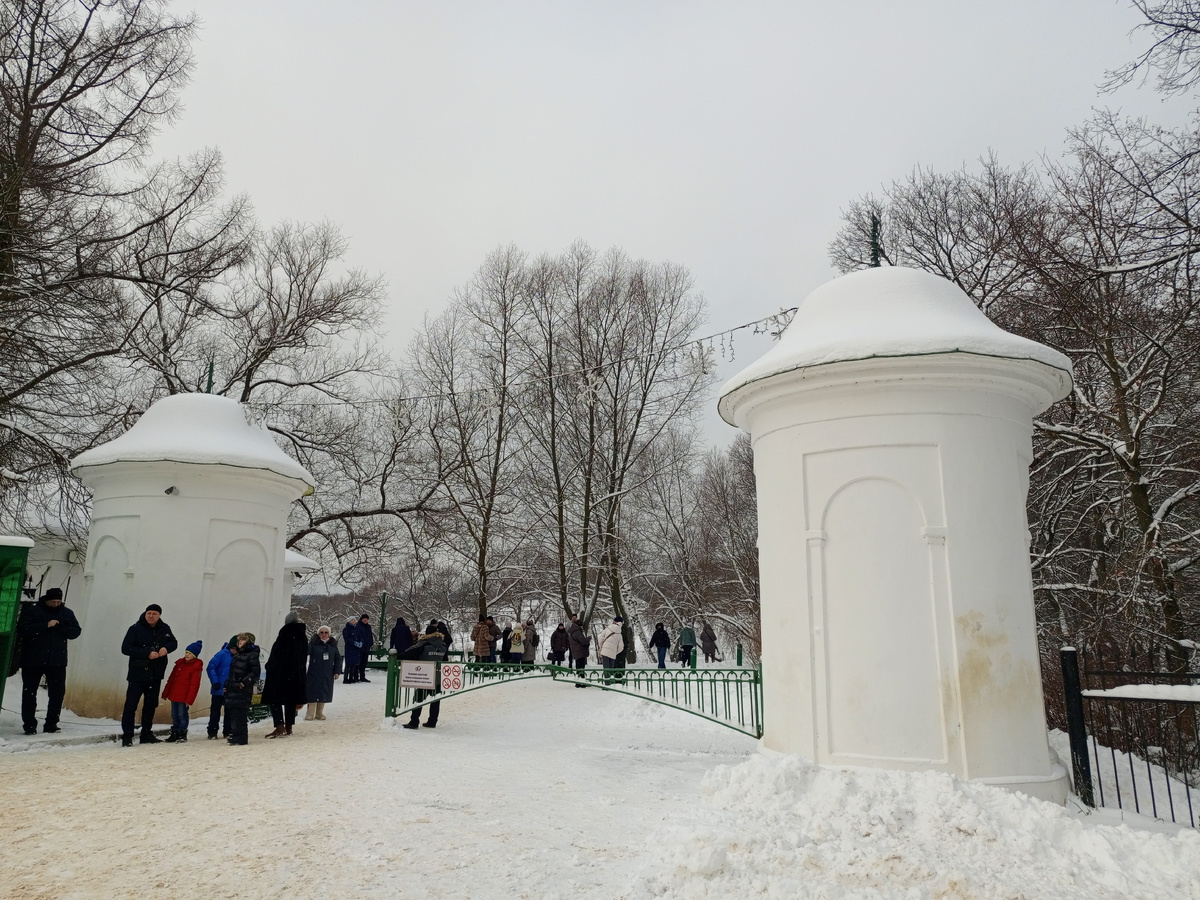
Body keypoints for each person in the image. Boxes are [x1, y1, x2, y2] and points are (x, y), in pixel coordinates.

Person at [18, 587, 81, 735]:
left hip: (57, 661)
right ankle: (29, 724)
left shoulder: (66, 613)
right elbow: (23, 630)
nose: (56, 604)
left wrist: (63, 627)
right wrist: (45, 625)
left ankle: (51, 724)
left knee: (57, 694)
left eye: (58, 601)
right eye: (53, 601)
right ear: (46, 600)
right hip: (33, 660)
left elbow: (76, 631)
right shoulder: (33, 611)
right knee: (29, 693)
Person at [119, 604, 178, 746]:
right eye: (149, 613)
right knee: (130, 706)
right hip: (137, 674)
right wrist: (146, 654)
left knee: (150, 705)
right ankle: (127, 736)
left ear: (159, 615)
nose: (151, 616)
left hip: (155, 674)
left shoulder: (164, 629)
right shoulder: (135, 629)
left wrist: (166, 648)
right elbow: (126, 648)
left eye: (154, 614)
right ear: (145, 614)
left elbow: (173, 643)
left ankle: (146, 733)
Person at [261, 611, 308, 738]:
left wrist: (270, 667)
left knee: (274, 698)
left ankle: (279, 725)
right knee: (291, 700)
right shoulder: (302, 636)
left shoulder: (284, 634)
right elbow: (303, 656)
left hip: (281, 673)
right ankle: (289, 726)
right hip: (296, 673)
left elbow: (277, 654)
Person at [400, 624, 447, 730]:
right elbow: (445, 660)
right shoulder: (443, 645)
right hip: (438, 677)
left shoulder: (423, 644)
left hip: (424, 676)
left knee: (418, 699)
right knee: (435, 700)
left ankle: (414, 721)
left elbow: (408, 652)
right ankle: (432, 721)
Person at [161, 641, 203, 742]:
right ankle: (175, 732)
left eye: (190, 653)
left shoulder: (196, 667)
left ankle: (181, 733)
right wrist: (166, 692)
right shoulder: (179, 664)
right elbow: (171, 680)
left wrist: (189, 699)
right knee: (174, 715)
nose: (187, 655)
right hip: (174, 694)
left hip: (183, 696)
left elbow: (194, 685)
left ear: (195, 655)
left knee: (182, 715)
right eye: (186, 652)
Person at [223, 633, 260, 746]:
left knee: (240, 716)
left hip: (242, 690)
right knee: (233, 715)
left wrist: (244, 683)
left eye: (243, 640)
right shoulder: (237, 655)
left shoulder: (252, 655)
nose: (240, 642)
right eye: (239, 640)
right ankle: (235, 736)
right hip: (232, 689)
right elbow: (231, 673)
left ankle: (241, 738)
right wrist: (227, 685)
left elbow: (255, 673)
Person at [304, 625, 342, 720]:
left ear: (329, 634)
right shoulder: (313, 644)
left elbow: (338, 659)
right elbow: (305, 654)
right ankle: (310, 713)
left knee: (324, 692)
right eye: (321, 632)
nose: (324, 634)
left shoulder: (333, 645)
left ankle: (319, 713)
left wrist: (337, 671)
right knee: (312, 692)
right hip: (314, 672)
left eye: (326, 632)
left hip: (327, 673)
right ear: (318, 634)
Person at [205, 638, 234, 739]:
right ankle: (212, 732)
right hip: (218, 688)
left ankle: (228, 731)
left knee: (229, 712)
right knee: (215, 712)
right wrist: (215, 681)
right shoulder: (221, 654)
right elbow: (210, 667)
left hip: (230, 689)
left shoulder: (237, 655)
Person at [566, 614, 590, 687]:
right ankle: (581, 682)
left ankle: (579, 682)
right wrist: (588, 639)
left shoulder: (573, 631)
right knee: (581, 667)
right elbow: (583, 641)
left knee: (578, 667)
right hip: (580, 651)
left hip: (576, 651)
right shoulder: (577, 632)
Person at [353, 613, 374, 683]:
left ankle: (362, 676)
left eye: (367, 619)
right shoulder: (358, 626)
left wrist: (371, 643)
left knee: (364, 663)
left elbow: (370, 635)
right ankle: (355, 676)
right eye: (364, 619)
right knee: (358, 663)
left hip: (366, 647)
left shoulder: (368, 627)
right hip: (359, 647)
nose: (365, 620)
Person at [342, 617, 360, 683]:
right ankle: (345, 678)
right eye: (352, 620)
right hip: (349, 648)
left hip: (356, 649)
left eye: (354, 620)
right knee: (348, 664)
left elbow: (359, 637)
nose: (353, 621)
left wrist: (360, 642)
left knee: (354, 664)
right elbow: (347, 639)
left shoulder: (356, 629)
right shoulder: (346, 629)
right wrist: (354, 643)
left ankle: (351, 677)